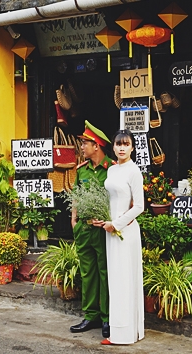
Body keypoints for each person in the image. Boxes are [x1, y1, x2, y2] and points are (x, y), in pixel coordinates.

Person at [69, 120, 115, 338]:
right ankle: (90, 315)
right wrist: (74, 220)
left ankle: (107, 317)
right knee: (88, 274)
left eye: (85, 143)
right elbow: (76, 196)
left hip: (103, 230)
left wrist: (110, 221)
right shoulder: (82, 170)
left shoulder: (113, 170)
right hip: (84, 229)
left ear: (96, 145)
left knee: (105, 273)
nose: (82, 147)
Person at [99, 129, 145, 345]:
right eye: (118, 144)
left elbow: (139, 206)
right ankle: (115, 332)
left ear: (132, 147)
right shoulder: (112, 171)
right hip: (110, 230)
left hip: (125, 230)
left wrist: (116, 224)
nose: (122, 148)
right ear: (114, 147)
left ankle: (126, 334)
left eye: (126, 144)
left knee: (125, 280)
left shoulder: (134, 171)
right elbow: (110, 200)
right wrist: (100, 219)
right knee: (115, 280)